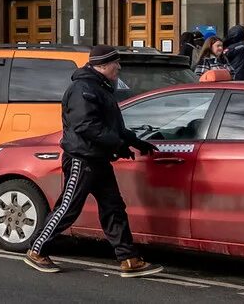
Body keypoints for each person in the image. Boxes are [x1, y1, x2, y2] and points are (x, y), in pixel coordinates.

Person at [25, 46, 162, 278]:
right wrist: (117, 144)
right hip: (82, 158)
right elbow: (86, 126)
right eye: (115, 63)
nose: (119, 67)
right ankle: (37, 249)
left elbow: (112, 126)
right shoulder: (82, 89)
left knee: (114, 208)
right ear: (103, 65)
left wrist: (135, 142)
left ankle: (129, 259)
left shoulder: (100, 87)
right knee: (69, 207)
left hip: (98, 159)